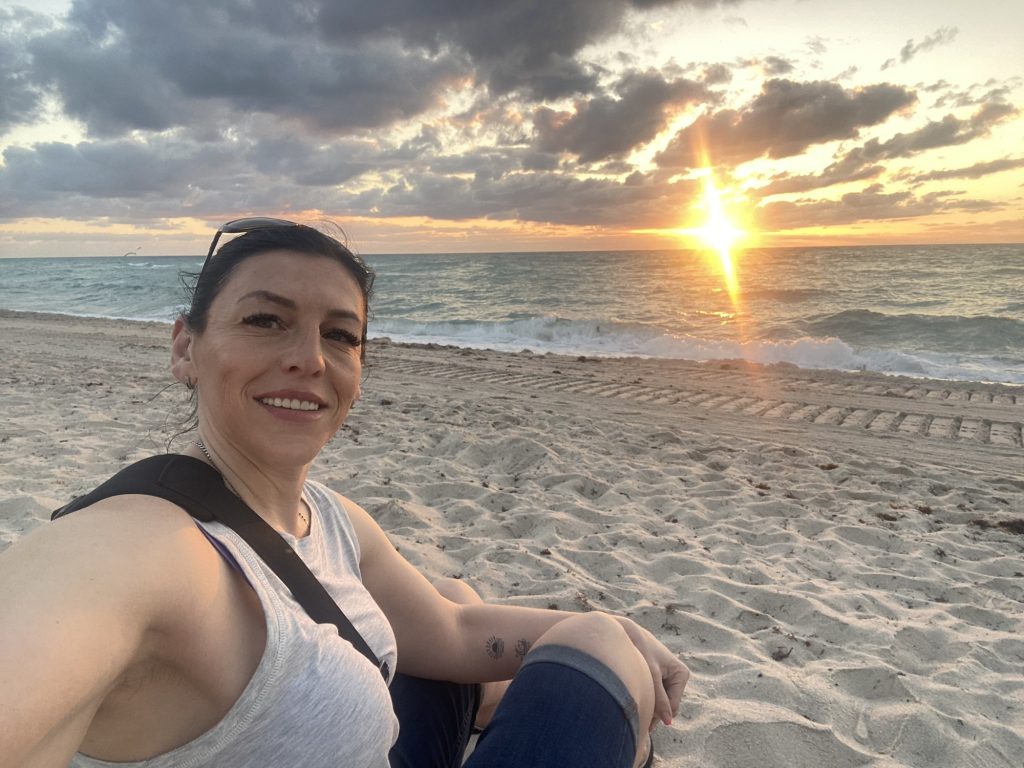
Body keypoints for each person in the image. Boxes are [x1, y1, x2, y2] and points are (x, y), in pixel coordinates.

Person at [0, 219, 689, 768]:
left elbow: (451, 633)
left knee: (457, 599)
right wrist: (604, 646)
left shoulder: (328, 518)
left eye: (340, 335)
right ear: (186, 349)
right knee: (592, 649)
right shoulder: (143, 549)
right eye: (265, 320)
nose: (310, 359)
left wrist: (622, 631)